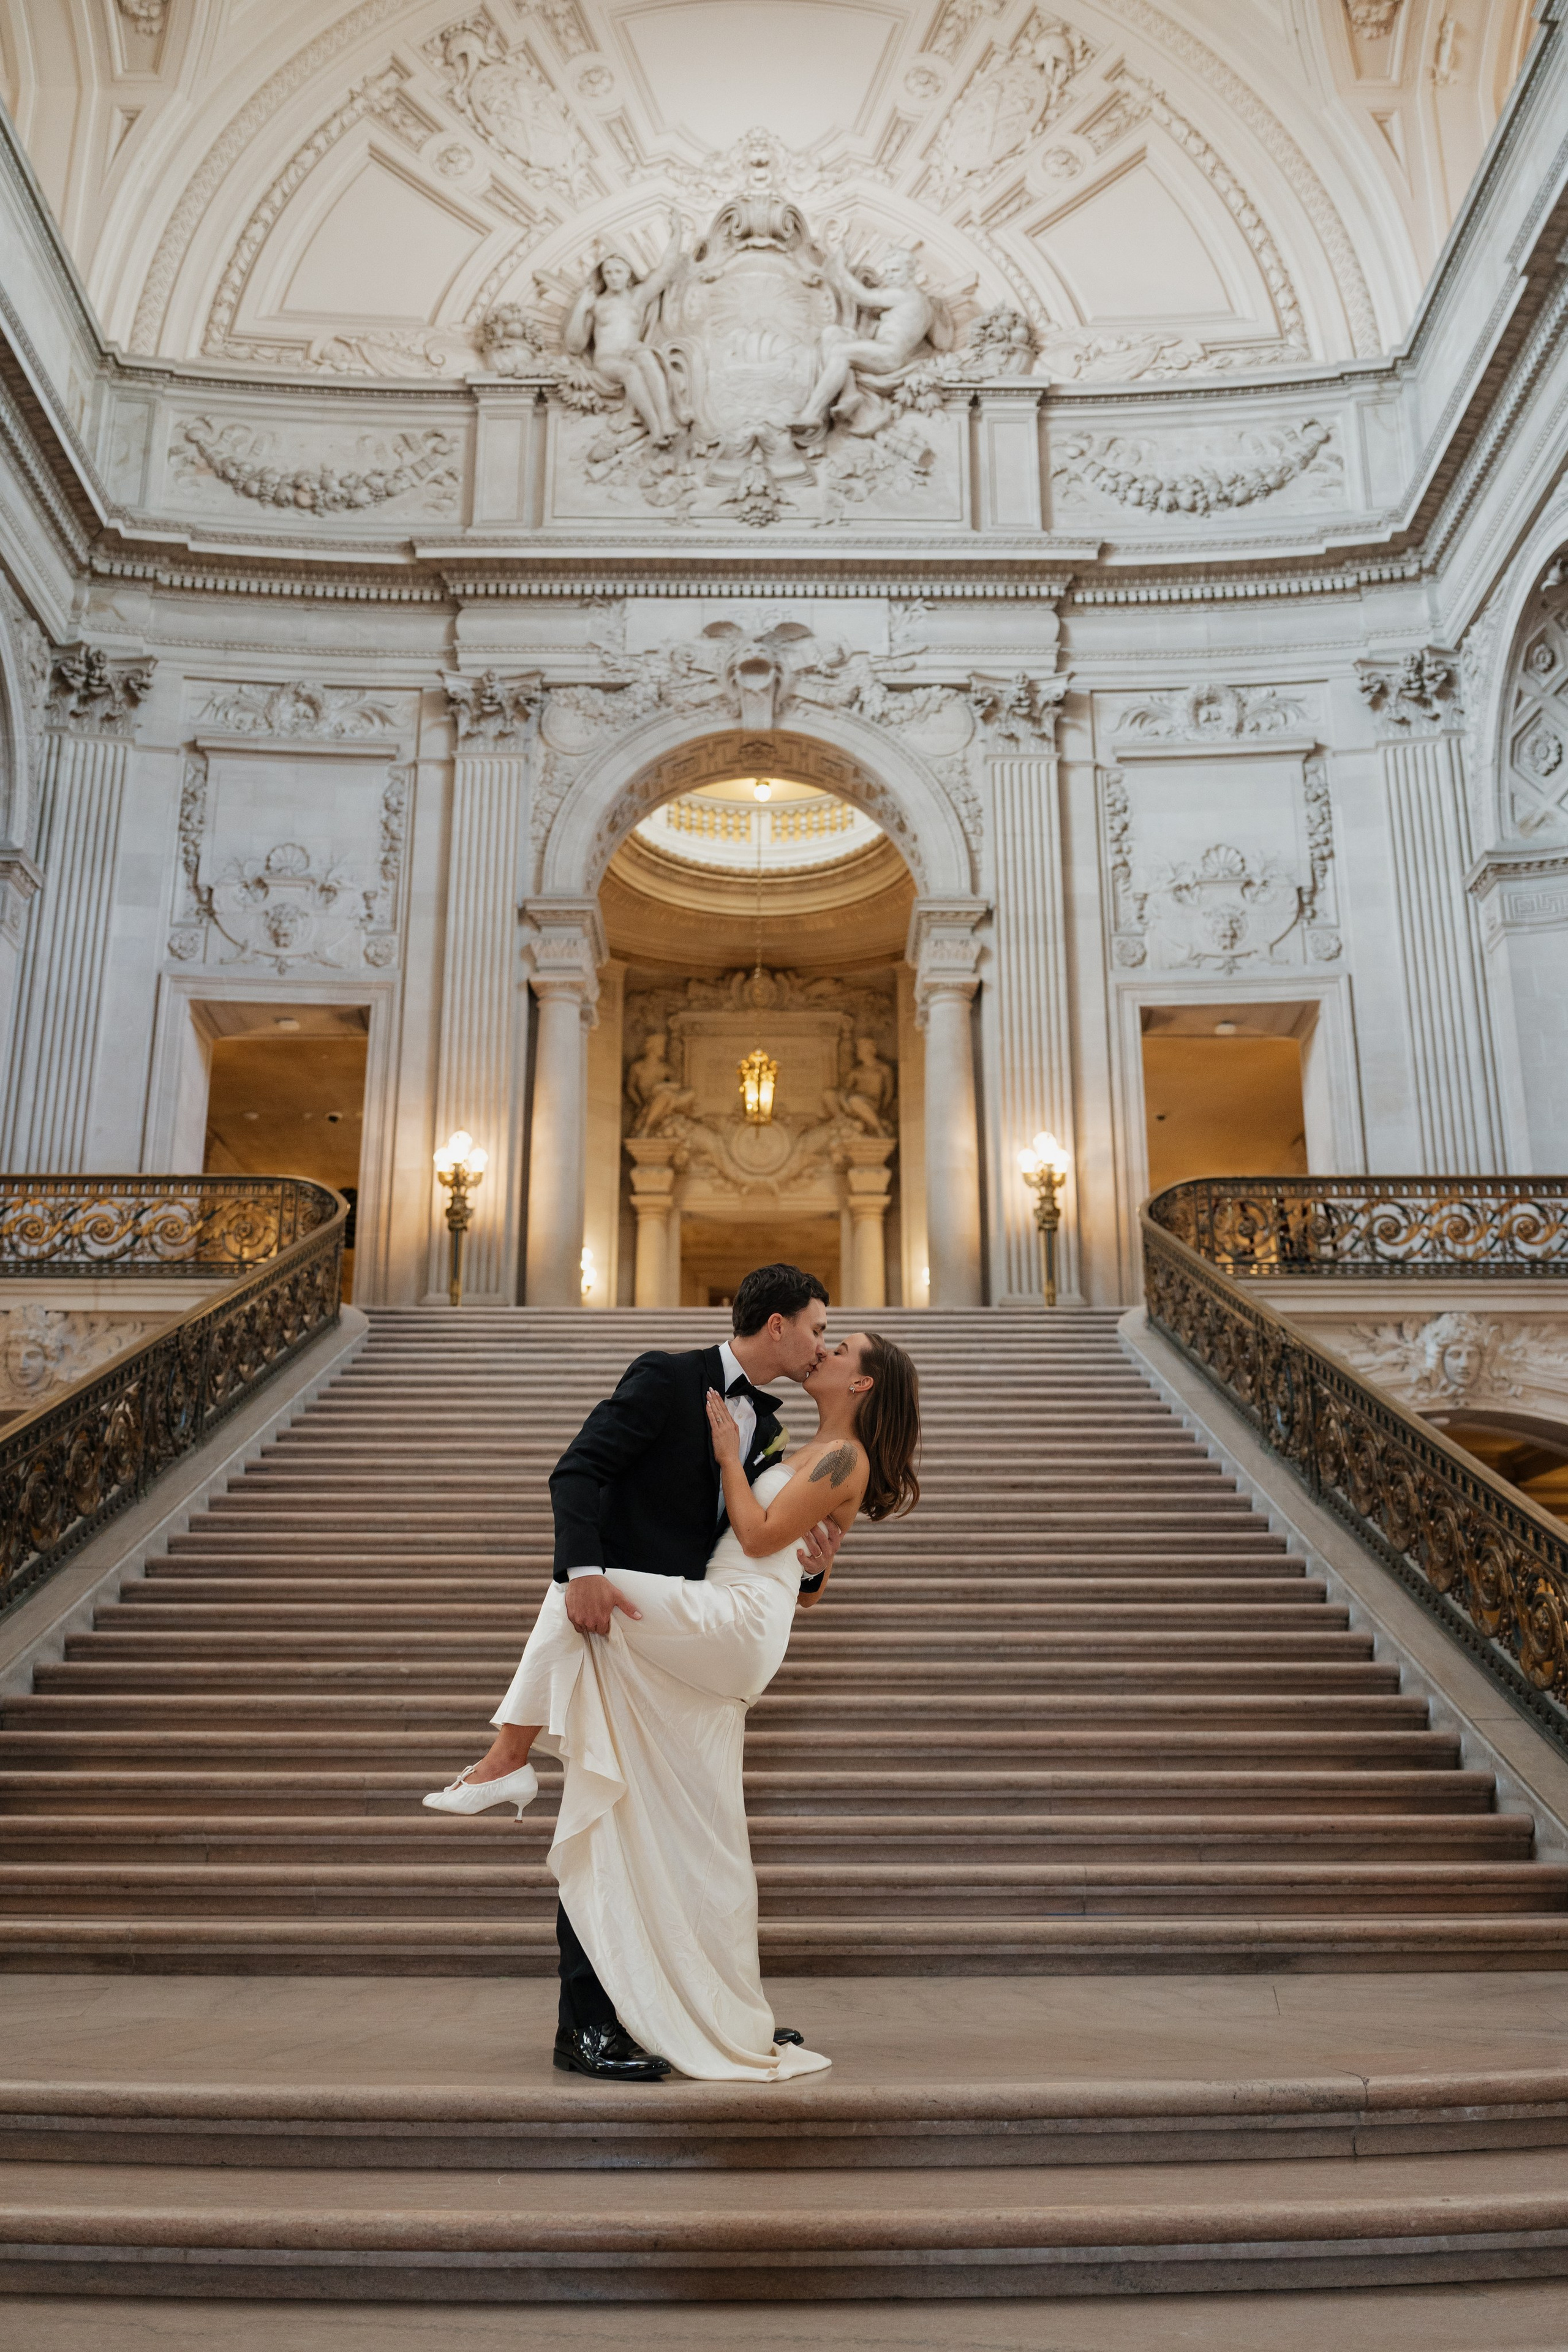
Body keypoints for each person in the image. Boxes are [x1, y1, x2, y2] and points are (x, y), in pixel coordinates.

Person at [421, 1266, 919, 2082]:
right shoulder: (674, 1379)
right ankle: (683, 2008)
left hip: (710, 1630)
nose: (824, 1343)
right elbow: (580, 1472)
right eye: (820, 1327)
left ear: (860, 1380)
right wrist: (587, 1563)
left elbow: (761, 1542)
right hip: (683, 1632)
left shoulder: (777, 1435)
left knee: (586, 1613)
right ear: (778, 1327)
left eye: (839, 1342)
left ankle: (505, 1760)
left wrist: (741, 1476)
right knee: (666, 1836)